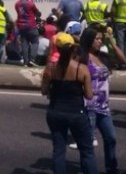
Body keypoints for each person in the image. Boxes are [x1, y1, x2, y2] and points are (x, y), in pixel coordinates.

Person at [71, 26, 126, 174]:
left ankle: (111, 168)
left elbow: (123, 60)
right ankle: (87, 170)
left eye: (101, 38)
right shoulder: (81, 57)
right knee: (87, 144)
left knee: (111, 138)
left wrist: (111, 43)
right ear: (89, 39)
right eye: (97, 38)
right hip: (88, 107)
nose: (100, 41)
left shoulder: (103, 56)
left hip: (103, 107)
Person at [41, 33, 98, 174]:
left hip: (55, 112)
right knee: (86, 151)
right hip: (76, 113)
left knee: (59, 151)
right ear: (73, 49)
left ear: (57, 49)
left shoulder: (50, 68)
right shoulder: (81, 69)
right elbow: (89, 95)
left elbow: (44, 91)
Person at [15, 0, 41, 67]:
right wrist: (38, 14)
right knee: (35, 42)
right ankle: (32, 60)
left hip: (21, 26)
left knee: (24, 43)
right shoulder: (30, 3)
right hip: (31, 25)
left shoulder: (17, 4)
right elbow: (37, 12)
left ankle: (25, 62)